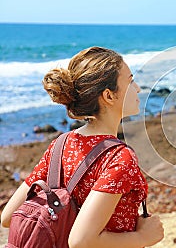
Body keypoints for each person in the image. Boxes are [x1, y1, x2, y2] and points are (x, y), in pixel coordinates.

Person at [1, 47, 164, 248]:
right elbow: (80, 240)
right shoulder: (119, 157)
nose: (138, 88)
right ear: (109, 96)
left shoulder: (60, 145)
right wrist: (143, 238)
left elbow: (8, 217)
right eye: (130, 81)